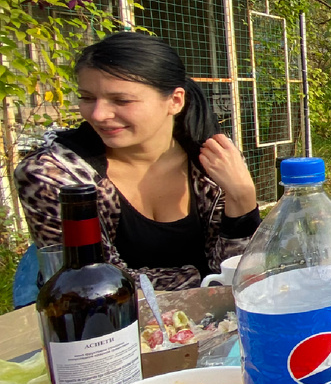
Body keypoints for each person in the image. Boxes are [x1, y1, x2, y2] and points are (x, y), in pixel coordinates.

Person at [16, 32, 261, 290]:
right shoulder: (53, 176)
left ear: (175, 101)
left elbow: (241, 274)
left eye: (121, 100)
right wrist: (200, 279)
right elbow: (92, 286)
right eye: (87, 98)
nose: (99, 114)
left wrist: (243, 199)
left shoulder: (213, 164)